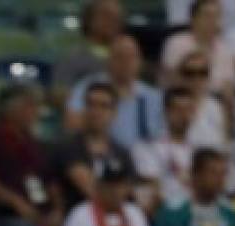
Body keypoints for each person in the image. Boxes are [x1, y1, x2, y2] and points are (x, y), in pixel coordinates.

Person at [0, 85, 61, 226]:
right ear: (12, 110)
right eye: (30, 106)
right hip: (3, 216)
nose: (35, 112)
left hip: (40, 214)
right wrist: (15, 202)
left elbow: (52, 184)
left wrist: (58, 211)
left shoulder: (37, 145)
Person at [53, 82, 135, 214]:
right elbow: (93, 192)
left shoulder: (122, 153)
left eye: (103, 106)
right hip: (79, 223)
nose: (96, 112)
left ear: (114, 113)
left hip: (114, 225)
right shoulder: (68, 147)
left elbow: (130, 193)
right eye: (91, 104)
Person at [67, 36, 164, 146]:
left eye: (131, 57)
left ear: (140, 61)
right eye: (120, 57)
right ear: (109, 60)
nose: (126, 63)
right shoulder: (88, 86)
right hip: (99, 154)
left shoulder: (153, 96)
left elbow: (164, 136)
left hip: (144, 158)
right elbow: (71, 124)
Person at [133, 87, 201, 212]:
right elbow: (152, 187)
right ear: (166, 112)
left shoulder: (199, 151)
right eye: (178, 110)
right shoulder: (149, 147)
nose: (184, 115)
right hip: (165, 214)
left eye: (188, 110)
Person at [161, 0, 235, 95]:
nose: (212, 21)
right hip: (184, 100)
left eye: (216, 16)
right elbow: (171, 80)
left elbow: (229, 85)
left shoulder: (226, 50)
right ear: (193, 19)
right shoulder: (176, 44)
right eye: (207, 16)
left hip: (216, 102)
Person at [52, 0, 125, 98]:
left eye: (116, 18)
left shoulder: (128, 56)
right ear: (89, 19)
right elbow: (59, 95)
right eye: (106, 15)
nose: (112, 22)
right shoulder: (72, 57)